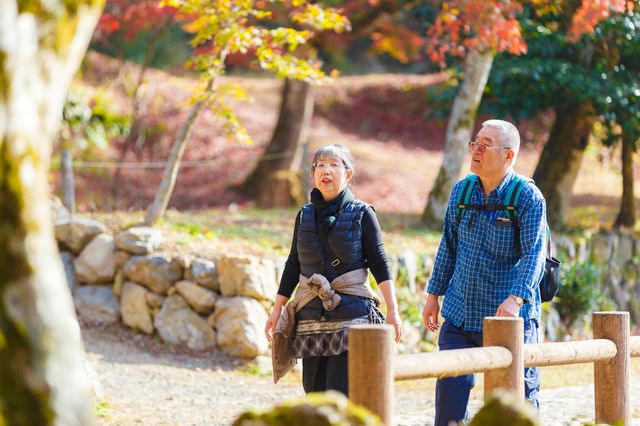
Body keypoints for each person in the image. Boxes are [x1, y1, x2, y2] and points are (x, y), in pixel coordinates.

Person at [422, 119, 546, 425]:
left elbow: (535, 253)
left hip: (507, 318)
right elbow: (448, 245)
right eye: (475, 142)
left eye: (485, 144)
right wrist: (433, 295)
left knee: (517, 403)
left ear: (509, 155)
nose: (476, 150)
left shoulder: (527, 197)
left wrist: (516, 299)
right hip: (460, 315)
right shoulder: (461, 191)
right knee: (449, 403)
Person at [265, 143, 402, 395]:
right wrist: (277, 310)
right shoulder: (304, 214)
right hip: (310, 318)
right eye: (320, 165)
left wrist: (392, 309)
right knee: (314, 394)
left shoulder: (363, 213)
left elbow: (380, 263)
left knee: (341, 393)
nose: (325, 170)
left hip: (352, 316)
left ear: (348, 174)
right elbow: (293, 264)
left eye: (333, 165)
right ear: (313, 174)